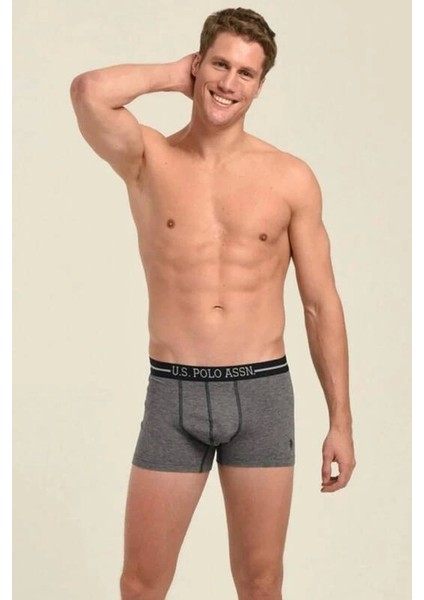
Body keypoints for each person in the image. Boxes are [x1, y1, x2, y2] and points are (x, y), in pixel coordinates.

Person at [70, 7, 356, 600]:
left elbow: (320, 304)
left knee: (261, 583)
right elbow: (89, 91)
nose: (229, 83)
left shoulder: (290, 178)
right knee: (140, 585)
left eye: (246, 73)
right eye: (219, 65)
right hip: (173, 392)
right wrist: (170, 74)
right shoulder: (148, 159)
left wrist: (341, 422)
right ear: (198, 65)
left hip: (262, 394)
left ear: (260, 85)